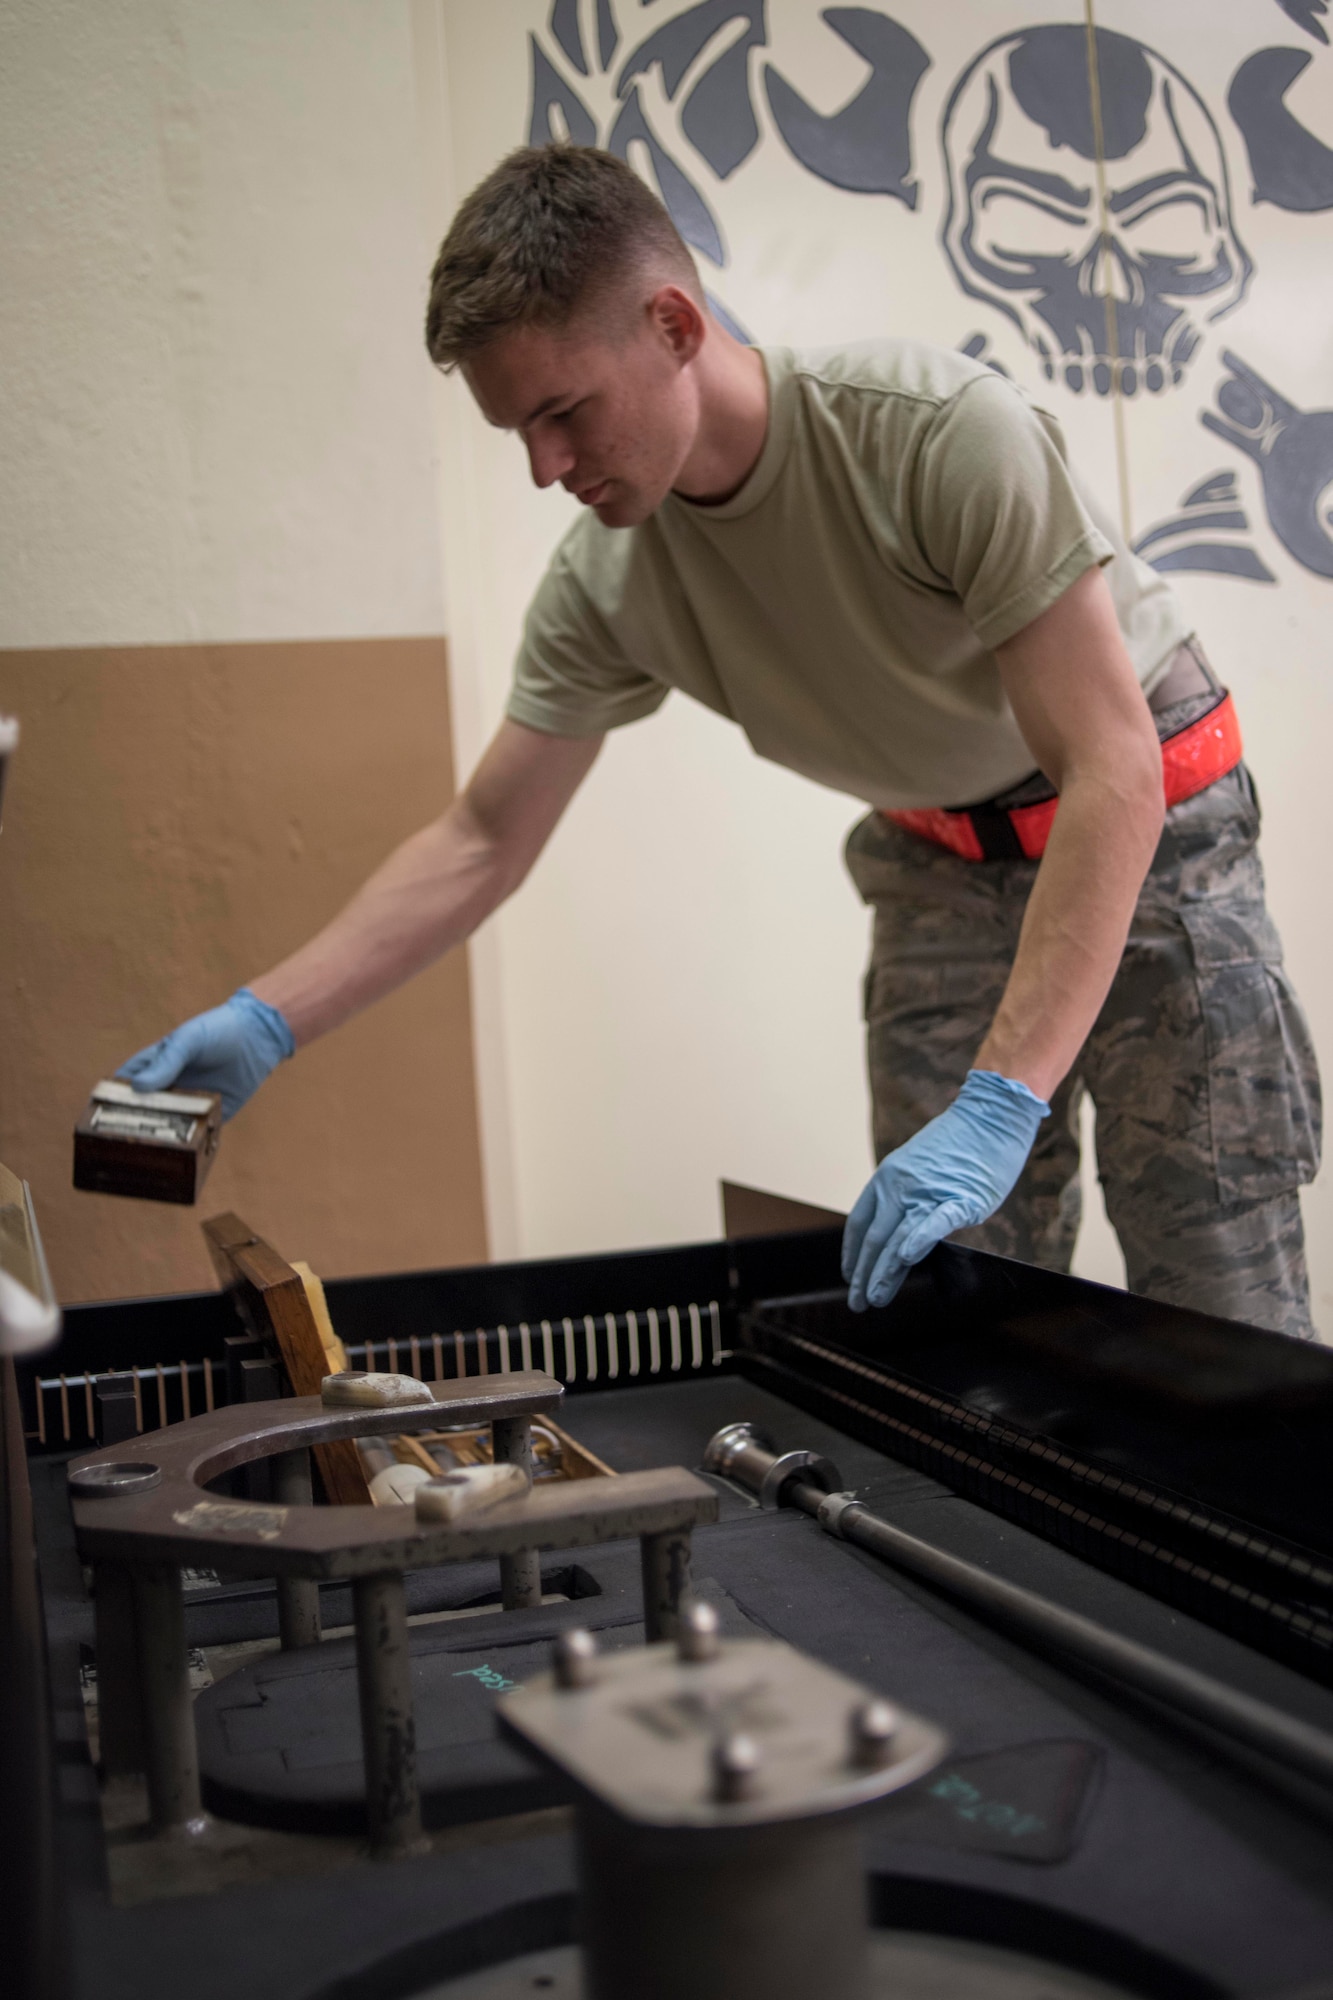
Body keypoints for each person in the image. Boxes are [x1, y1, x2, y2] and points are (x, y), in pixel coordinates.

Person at [117, 146, 1321, 1337]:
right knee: (948, 1306)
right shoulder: (607, 581)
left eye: (563, 413)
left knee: (1219, 1310)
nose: (544, 468)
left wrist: (1003, 1097)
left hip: (1152, 820)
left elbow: (1111, 768)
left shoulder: (936, 435)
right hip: (941, 862)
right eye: (516, 432)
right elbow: (483, 836)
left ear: (675, 325)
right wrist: (270, 1017)